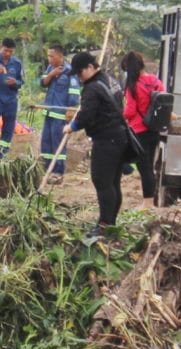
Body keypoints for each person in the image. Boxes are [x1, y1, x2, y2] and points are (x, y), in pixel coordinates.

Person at [68, 52, 131, 234]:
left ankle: (104, 224)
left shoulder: (92, 88)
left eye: (80, 73)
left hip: (106, 139)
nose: (79, 78)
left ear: (90, 67)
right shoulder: (110, 80)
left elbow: (87, 114)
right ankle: (110, 223)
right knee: (113, 182)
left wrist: (72, 126)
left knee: (102, 181)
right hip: (119, 136)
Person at [120, 50, 165, 209]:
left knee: (144, 168)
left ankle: (147, 204)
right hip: (154, 129)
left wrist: (118, 115)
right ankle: (149, 202)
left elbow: (130, 111)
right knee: (149, 167)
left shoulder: (133, 86)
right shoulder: (155, 81)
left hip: (139, 131)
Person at [39, 43, 80, 179]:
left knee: (58, 143)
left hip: (61, 114)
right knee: (46, 142)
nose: (49, 59)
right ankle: (46, 169)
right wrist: (51, 74)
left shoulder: (70, 71)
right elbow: (42, 83)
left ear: (60, 55)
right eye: (48, 56)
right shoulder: (50, 68)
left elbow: (74, 93)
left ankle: (58, 171)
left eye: (52, 56)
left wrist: (71, 110)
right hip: (48, 112)